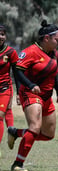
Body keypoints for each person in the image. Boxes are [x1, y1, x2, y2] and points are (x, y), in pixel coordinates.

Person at [7, 20, 58, 171]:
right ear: (46, 38)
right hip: (30, 93)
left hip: (46, 96)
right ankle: (18, 164)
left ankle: (16, 132)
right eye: (56, 39)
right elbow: (17, 71)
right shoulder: (30, 51)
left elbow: (54, 73)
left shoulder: (54, 53)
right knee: (35, 127)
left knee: (48, 134)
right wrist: (31, 85)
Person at [0, 25, 20, 157]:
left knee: (0, 115)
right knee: (6, 112)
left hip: (4, 88)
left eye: (2, 34)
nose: (0, 36)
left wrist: (19, 92)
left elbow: (17, 74)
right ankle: (11, 131)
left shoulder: (10, 52)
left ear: (5, 36)